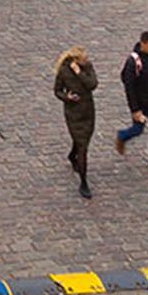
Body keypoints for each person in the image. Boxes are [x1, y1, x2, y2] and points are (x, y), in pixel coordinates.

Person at [112, 31, 148, 173]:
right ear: (142, 44)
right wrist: (135, 109)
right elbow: (129, 86)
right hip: (140, 104)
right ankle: (122, 136)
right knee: (138, 129)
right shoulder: (133, 61)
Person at [52, 47, 99, 198]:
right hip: (73, 114)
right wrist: (67, 97)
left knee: (82, 141)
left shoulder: (87, 68)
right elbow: (57, 90)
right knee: (82, 146)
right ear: (75, 60)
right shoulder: (64, 72)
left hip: (88, 112)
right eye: (83, 58)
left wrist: (80, 73)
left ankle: (73, 156)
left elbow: (92, 84)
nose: (86, 59)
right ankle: (84, 182)